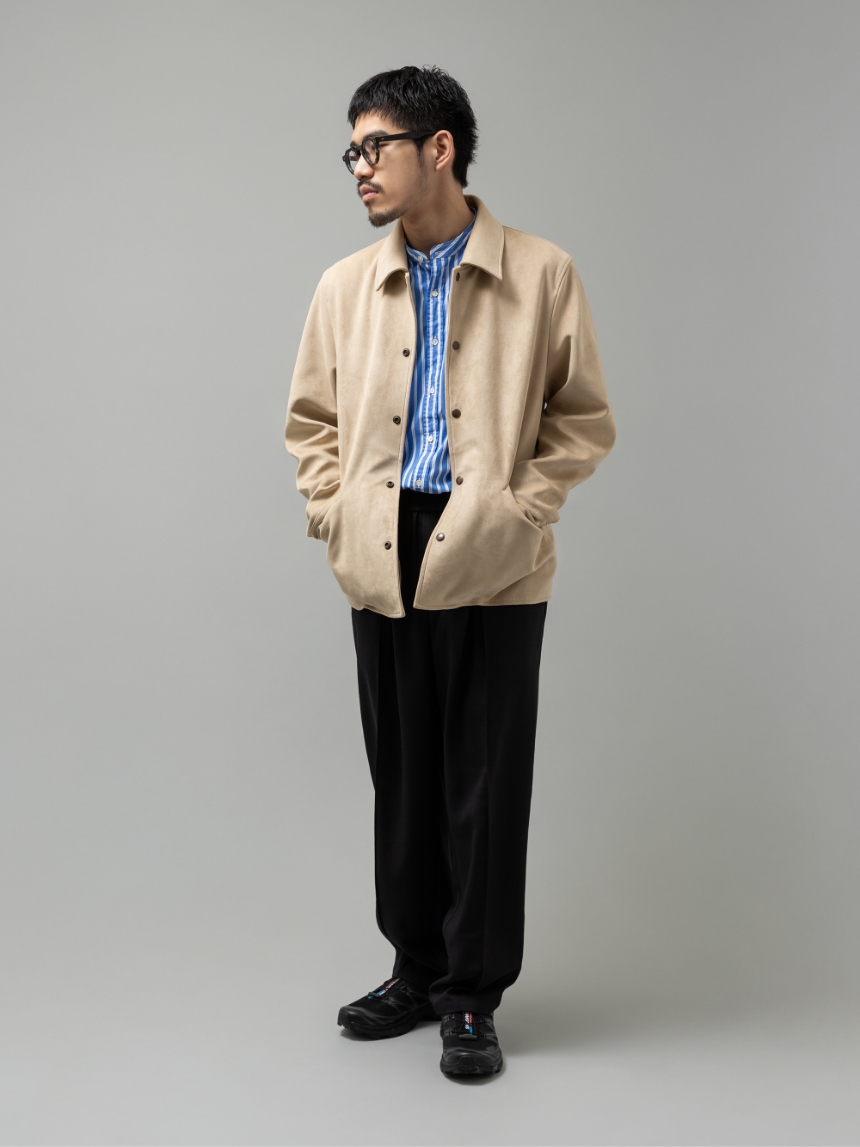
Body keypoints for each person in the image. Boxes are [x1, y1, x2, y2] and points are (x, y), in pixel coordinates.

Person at [285, 65, 615, 1078]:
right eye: (350, 150)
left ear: (439, 150)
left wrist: (520, 511)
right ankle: (414, 968)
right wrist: (334, 513)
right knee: (403, 777)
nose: (358, 167)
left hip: (493, 551)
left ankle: (470, 995)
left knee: (483, 780)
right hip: (380, 543)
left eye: (374, 146)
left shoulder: (543, 271)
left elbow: (581, 417)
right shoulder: (343, 285)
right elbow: (310, 423)